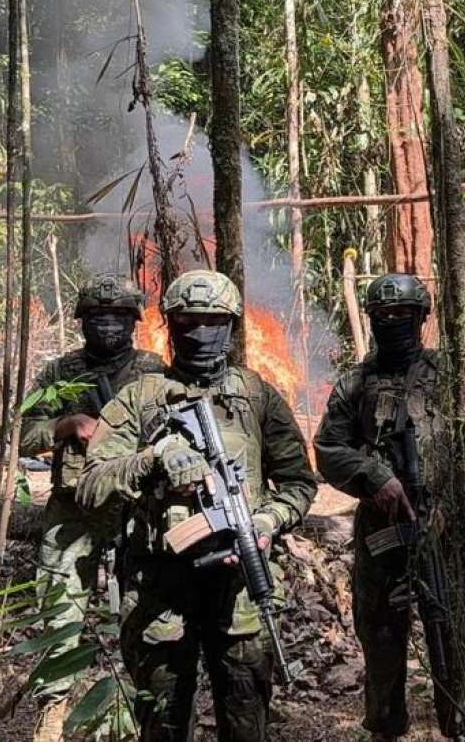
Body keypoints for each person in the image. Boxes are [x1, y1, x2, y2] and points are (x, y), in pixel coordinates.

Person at [77, 269, 317, 742]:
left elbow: (298, 482)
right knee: (164, 723)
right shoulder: (141, 398)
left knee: (246, 719)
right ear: (171, 325)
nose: (202, 334)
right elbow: (91, 484)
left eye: (213, 322)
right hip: (159, 590)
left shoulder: (256, 396)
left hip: (239, 589)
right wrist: (154, 460)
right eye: (189, 323)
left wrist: (266, 520)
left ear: (230, 325)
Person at [312, 273, 465, 742]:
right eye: (384, 316)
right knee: (381, 637)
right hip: (381, 530)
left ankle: (460, 725)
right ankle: (386, 727)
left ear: (422, 319)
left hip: (443, 532)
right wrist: (375, 480)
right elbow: (328, 448)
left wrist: (452, 505)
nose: (393, 324)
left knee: (450, 632)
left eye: (403, 316)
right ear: (371, 321)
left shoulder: (450, 379)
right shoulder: (355, 383)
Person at [18, 273, 167, 742]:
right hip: (74, 507)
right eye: (98, 317)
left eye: (118, 317)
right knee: (60, 608)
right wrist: (66, 424)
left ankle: (145, 710)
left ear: (133, 321)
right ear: (83, 321)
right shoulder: (61, 372)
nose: (107, 325)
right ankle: (53, 710)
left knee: (146, 614)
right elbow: (22, 432)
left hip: (139, 509)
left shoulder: (154, 370)